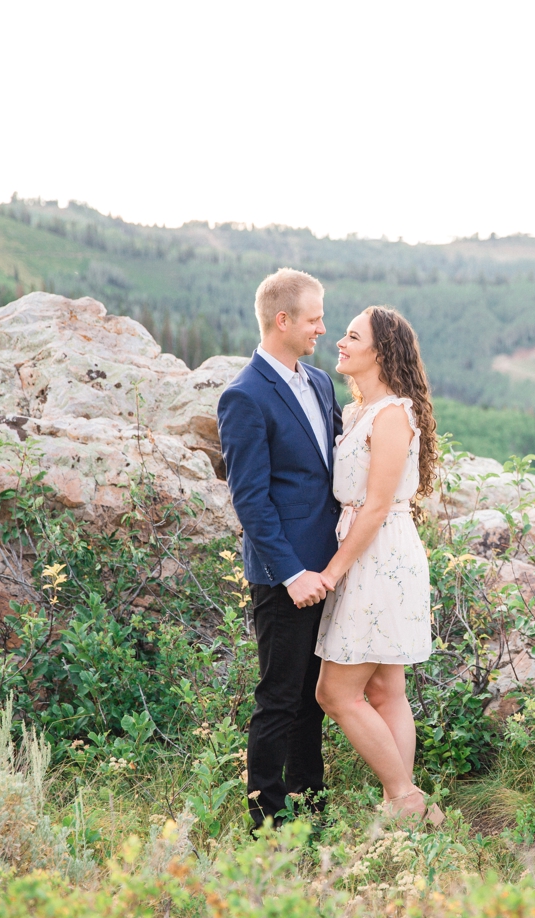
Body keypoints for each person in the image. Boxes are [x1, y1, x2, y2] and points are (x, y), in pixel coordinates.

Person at [217, 268, 341, 829]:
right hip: (283, 575)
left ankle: (311, 805)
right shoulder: (244, 396)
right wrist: (292, 574)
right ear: (283, 320)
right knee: (279, 697)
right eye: (314, 318)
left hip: (329, 569)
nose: (322, 328)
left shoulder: (319, 384)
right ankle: (266, 820)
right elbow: (252, 501)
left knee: (315, 696)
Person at [312, 305, 442, 825]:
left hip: (378, 556)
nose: (339, 343)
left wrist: (334, 570)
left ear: (380, 351)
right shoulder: (359, 411)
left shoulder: (392, 415)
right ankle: (404, 810)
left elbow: (378, 506)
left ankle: (405, 799)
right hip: (369, 551)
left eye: (351, 336)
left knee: (334, 692)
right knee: (387, 690)